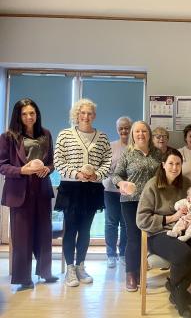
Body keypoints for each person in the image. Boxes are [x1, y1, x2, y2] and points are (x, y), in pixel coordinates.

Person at [137, 148, 191, 318]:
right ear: (163, 165)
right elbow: (141, 220)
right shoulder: (152, 185)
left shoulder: (186, 183)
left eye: (178, 164)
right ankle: (179, 298)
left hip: (185, 228)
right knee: (184, 255)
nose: (174, 167)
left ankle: (177, 287)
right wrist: (171, 218)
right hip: (158, 233)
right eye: (170, 163)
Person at [54, 98, 112, 287]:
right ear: (77, 115)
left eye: (90, 113)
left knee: (85, 230)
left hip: (92, 189)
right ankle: (70, 269)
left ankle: (80, 266)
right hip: (71, 188)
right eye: (83, 113)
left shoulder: (102, 137)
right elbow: (59, 161)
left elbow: (107, 162)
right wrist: (76, 173)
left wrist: (96, 175)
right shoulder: (65, 135)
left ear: (94, 116)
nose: (86, 116)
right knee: (70, 229)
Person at [0, 98, 57, 291]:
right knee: (22, 236)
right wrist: (21, 171)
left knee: (44, 233)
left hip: (41, 188)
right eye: (24, 114)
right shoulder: (8, 137)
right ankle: (23, 278)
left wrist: (48, 170)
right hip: (19, 191)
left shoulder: (46, 134)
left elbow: (51, 162)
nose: (29, 117)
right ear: (18, 115)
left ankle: (45, 272)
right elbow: (2, 165)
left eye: (32, 113)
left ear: (37, 114)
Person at [112, 120, 163, 292]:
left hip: (153, 201)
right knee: (133, 238)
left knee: (148, 238)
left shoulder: (158, 154)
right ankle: (131, 275)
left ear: (149, 134)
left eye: (144, 131)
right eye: (137, 132)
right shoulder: (128, 153)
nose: (140, 134)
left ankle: (142, 272)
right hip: (131, 201)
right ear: (133, 135)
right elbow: (116, 175)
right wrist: (122, 184)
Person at [102, 116, 131, 268]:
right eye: (121, 128)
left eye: (127, 127)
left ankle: (124, 253)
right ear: (117, 129)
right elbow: (105, 169)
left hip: (130, 192)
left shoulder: (136, 146)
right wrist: (117, 180)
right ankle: (111, 254)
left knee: (126, 224)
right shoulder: (110, 146)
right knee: (111, 223)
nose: (124, 131)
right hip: (111, 191)